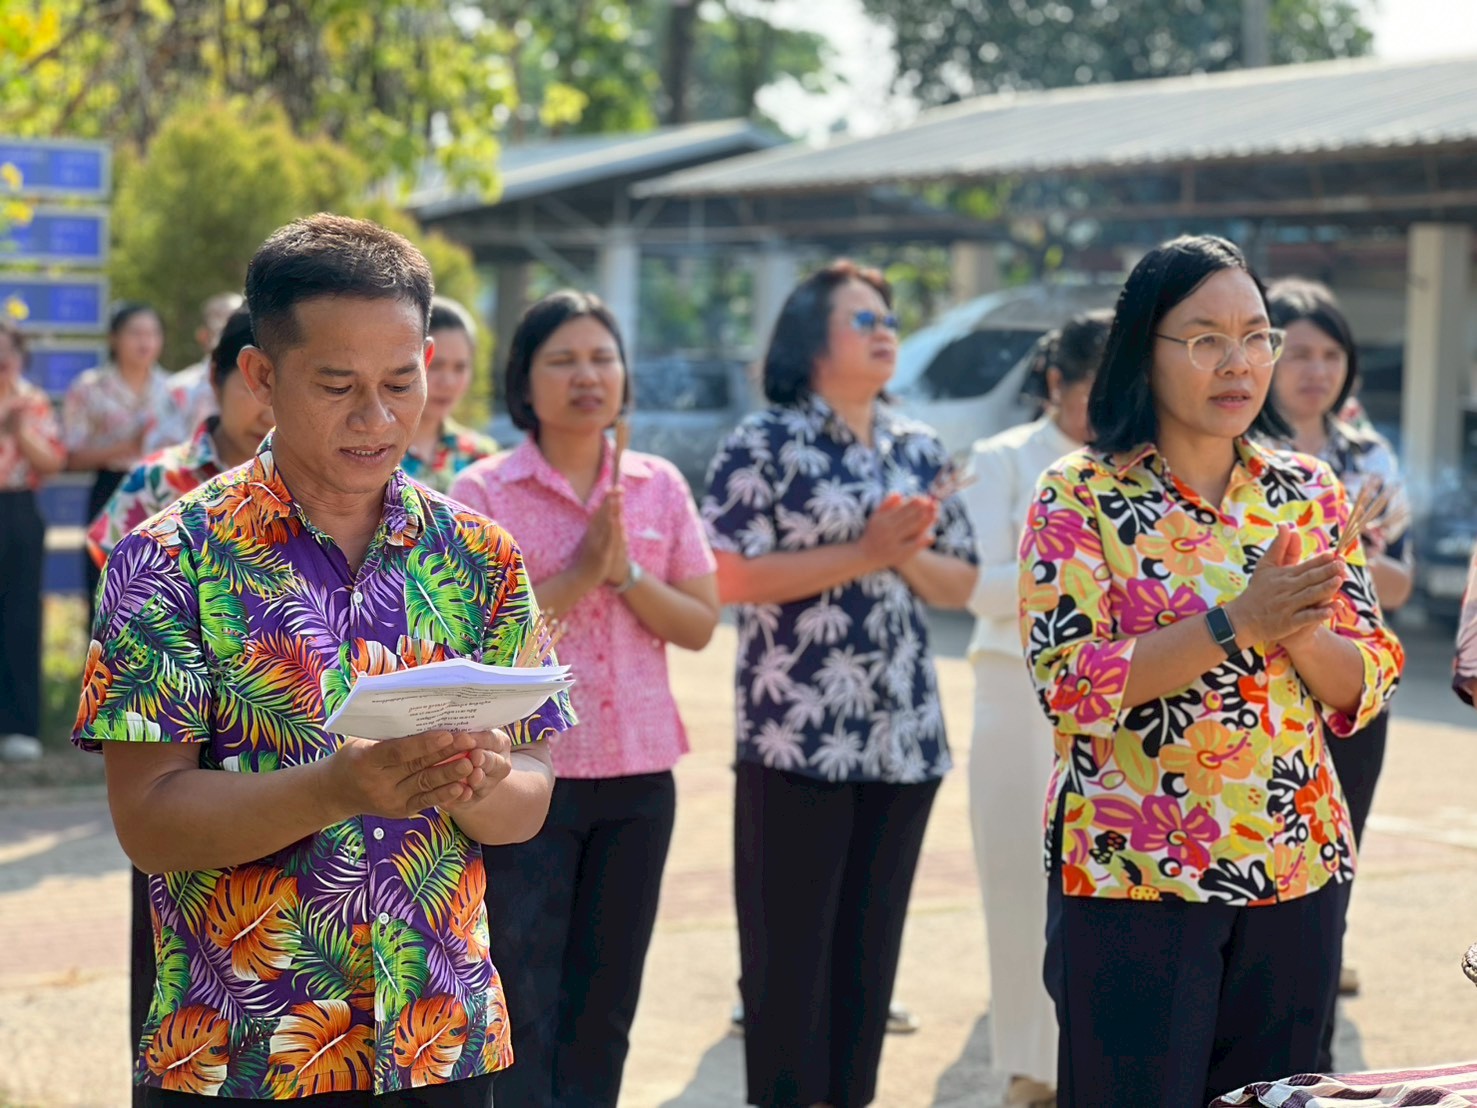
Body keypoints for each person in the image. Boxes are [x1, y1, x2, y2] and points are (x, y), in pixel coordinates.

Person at [72, 213, 571, 1106]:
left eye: (400, 381)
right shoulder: (169, 557)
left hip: (438, 1041)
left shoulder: (479, 557)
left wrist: (484, 776)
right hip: (239, 1053)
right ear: (260, 377)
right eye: (337, 385)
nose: (375, 419)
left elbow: (530, 791)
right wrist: (338, 789)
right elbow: (146, 821)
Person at [1021, 234, 1403, 1108]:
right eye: (1203, 340)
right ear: (1141, 351)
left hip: (1294, 870)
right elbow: (1070, 684)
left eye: (1255, 336)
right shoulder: (1078, 493)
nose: (1238, 363)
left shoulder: (1306, 487)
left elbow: (1370, 674)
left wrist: (1301, 636)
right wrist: (1241, 621)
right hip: (1135, 873)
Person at [703, 259, 979, 1108]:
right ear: (809, 339)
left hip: (903, 743)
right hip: (798, 738)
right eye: (863, 318)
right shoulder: (764, 441)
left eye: (888, 316)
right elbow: (726, 574)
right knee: (789, 970)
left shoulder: (919, 445)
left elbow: (959, 583)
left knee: (868, 965)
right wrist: (867, 550)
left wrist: (900, 551)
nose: (885, 329)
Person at [450, 290, 719, 1107]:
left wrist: (625, 572)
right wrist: (575, 574)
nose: (587, 376)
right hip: (528, 780)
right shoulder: (482, 492)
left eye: (602, 358)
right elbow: (475, 646)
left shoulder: (658, 484)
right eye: (561, 360)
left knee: (607, 1006)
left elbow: (701, 622)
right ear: (523, 384)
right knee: (523, 995)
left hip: (639, 778)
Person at [84, 304, 273, 1095]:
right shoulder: (158, 489)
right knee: (169, 964)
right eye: (257, 383)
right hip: (178, 759)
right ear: (228, 379)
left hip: (287, 769)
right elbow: (109, 598)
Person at [960, 310, 1111, 1108]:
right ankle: (1029, 1064)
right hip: (1016, 687)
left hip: (1127, 689)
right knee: (1020, 878)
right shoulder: (1001, 460)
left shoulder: (1141, 462)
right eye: (1095, 385)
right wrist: (1083, 591)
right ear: (1055, 384)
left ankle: (1093, 1058)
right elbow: (980, 584)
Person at [1265, 277, 1414, 1053]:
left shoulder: (1368, 454)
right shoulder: (1241, 452)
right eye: (1296, 352)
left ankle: (1312, 1044)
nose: (1314, 370)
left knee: (1333, 862)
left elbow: (1398, 582)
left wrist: (1346, 565)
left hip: (1346, 680)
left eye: (1330, 354)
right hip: (1264, 698)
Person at [88, 305, 273, 565]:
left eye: (290, 394)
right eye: (253, 388)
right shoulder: (158, 481)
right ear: (214, 379)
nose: (270, 415)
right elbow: (116, 586)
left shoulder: (319, 487)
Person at [63, 301, 184, 622]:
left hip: (165, 491)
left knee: (164, 586)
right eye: (135, 333)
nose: (145, 342)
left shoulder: (174, 389)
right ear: (114, 338)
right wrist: (125, 445)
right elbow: (70, 456)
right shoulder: (90, 387)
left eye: (152, 333)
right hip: (110, 490)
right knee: (106, 585)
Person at [0, 319, 65, 750]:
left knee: (21, 615)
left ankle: (20, 727)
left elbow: (53, 462)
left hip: (18, 509)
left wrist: (19, 430)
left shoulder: (33, 402)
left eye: (9, 351)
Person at [404, 297, 497, 493]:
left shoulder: (481, 456)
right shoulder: (375, 451)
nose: (448, 382)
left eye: (460, 367)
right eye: (436, 365)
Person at [149, 291, 245, 451]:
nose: (235, 337)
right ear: (204, 336)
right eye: (224, 329)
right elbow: (159, 453)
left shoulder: (270, 384)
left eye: (243, 328)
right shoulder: (178, 389)